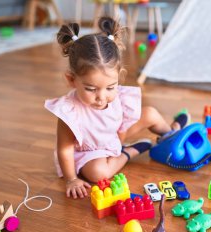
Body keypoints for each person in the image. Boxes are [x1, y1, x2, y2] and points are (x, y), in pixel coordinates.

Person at [44, 17, 190, 199]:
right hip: (91, 151)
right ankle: (130, 151)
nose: (102, 97)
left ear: (119, 77)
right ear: (71, 80)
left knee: (150, 113)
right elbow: (64, 150)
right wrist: (71, 179)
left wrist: (121, 137)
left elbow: (121, 122)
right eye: (91, 89)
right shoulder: (69, 111)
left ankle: (171, 135)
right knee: (99, 173)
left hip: (114, 136)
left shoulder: (117, 94)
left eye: (110, 87)